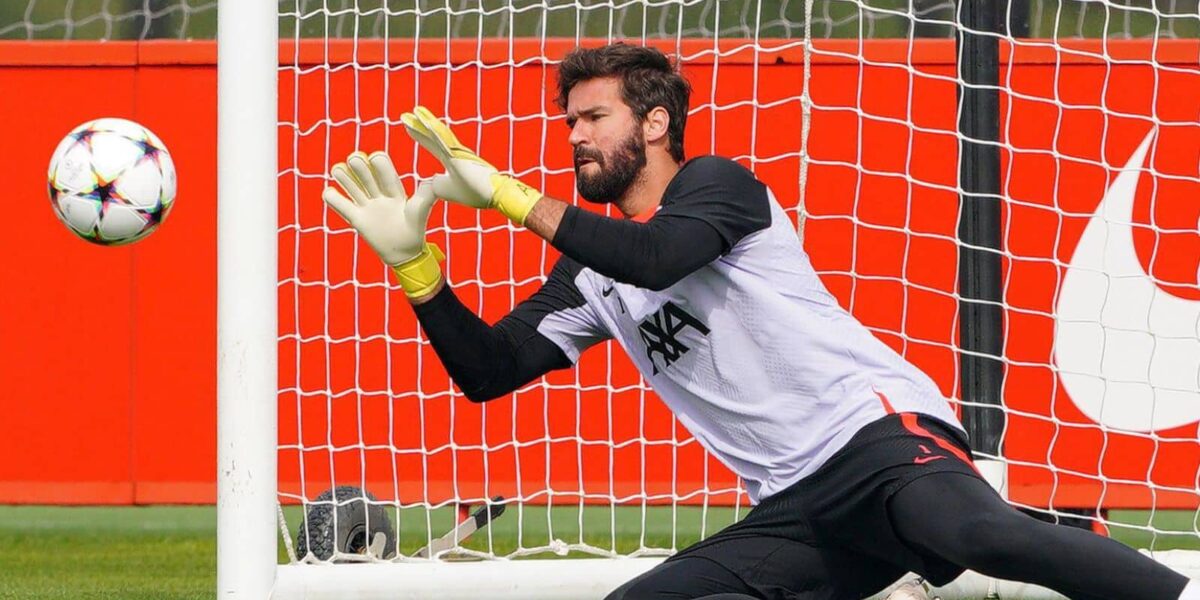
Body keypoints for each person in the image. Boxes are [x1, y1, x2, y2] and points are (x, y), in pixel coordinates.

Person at [321, 43, 1197, 600]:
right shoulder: (587, 270)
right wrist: (417, 269)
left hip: (876, 439)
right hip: (794, 506)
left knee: (976, 535)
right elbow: (489, 371)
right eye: (569, 121)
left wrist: (510, 197)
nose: (575, 136)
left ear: (655, 122)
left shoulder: (718, 186)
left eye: (594, 117)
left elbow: (659, 257)